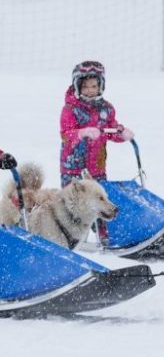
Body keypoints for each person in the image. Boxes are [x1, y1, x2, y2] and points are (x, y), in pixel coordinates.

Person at [60, 61, 134, 245]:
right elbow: (66, 134)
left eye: (94, 86)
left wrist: (121, 132)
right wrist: (81, 132)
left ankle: (104, 237)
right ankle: (70, 237)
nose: (90, 90)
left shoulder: (106, 108)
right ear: (77, 86)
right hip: (74, 166)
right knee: (75, 204)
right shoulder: (70, 109)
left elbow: (111, 129)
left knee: (100, 201)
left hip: (97, 166)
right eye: (85, 86)